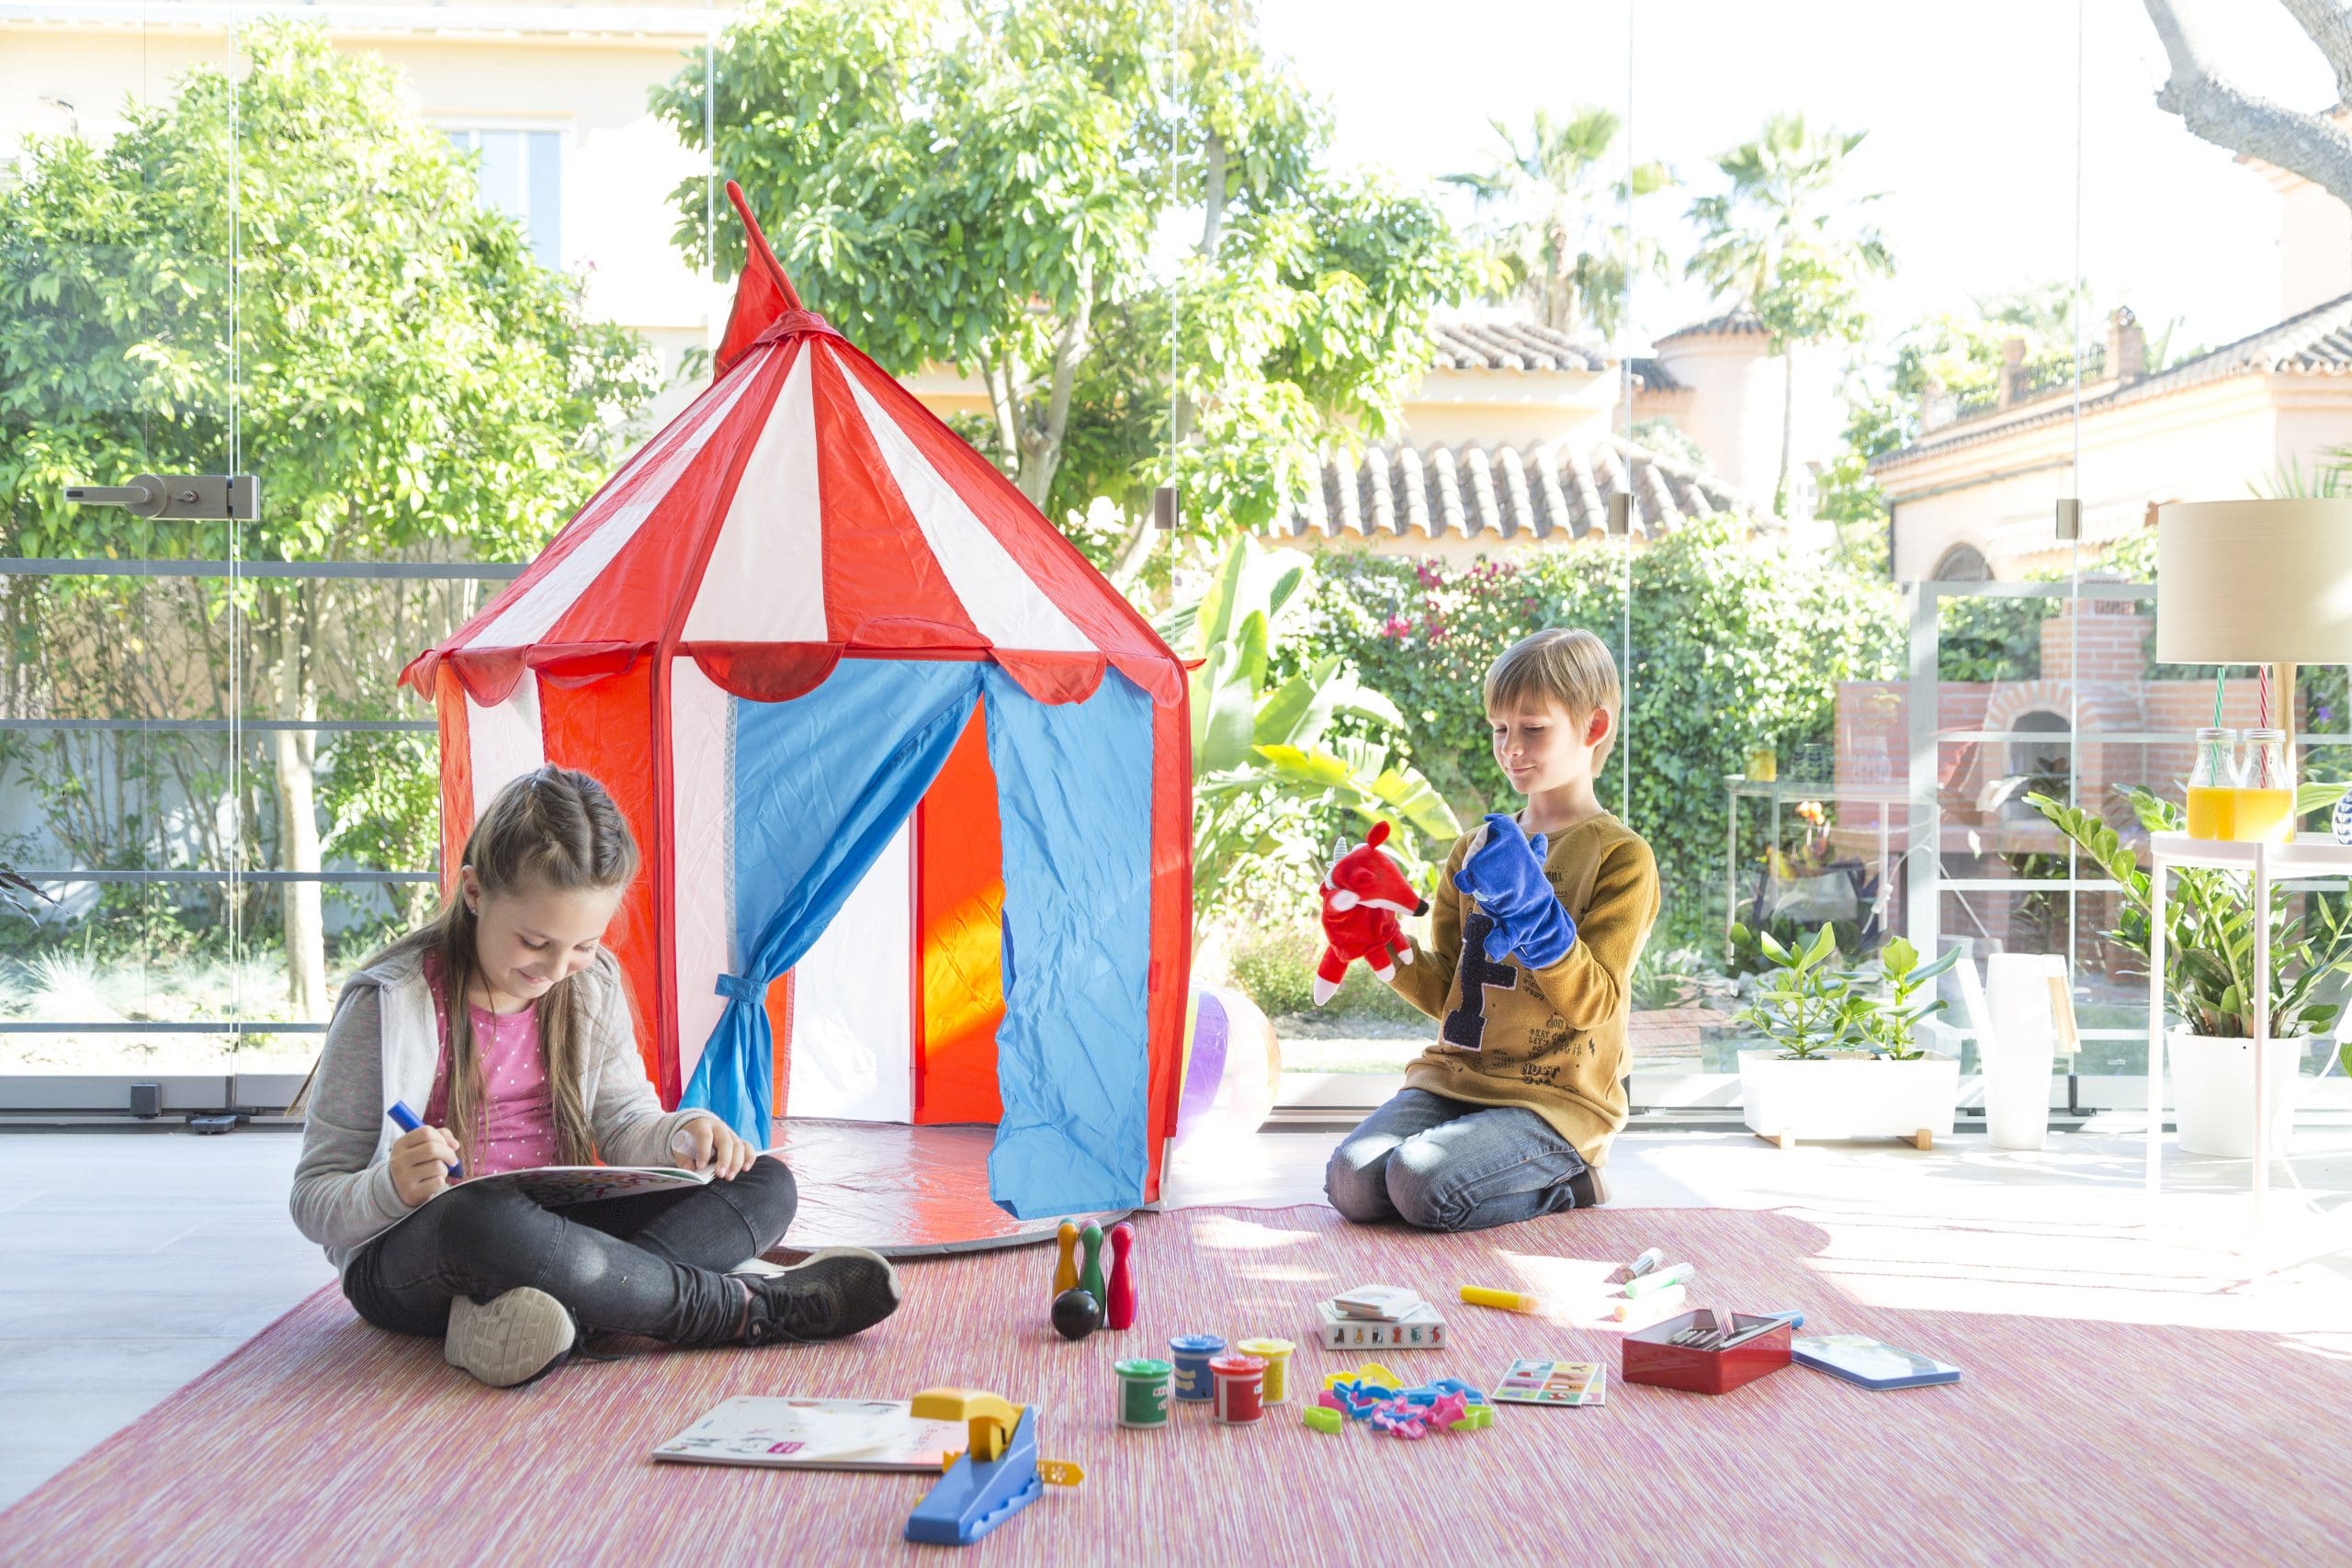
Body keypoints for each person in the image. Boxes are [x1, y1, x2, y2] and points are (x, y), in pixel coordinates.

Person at [289, 765, 899, 1387]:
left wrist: (680, 1135)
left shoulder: (590, 983)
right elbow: (313, 1199)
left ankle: (537, 1319)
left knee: (766, 1182)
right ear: (473, 892)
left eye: (582, 944)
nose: (557, 968)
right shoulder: (388, 1003)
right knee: (476, 1217)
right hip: (436, 1248)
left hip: (565, 1237)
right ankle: (736, 1307)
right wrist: (395, 1185)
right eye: (534, 941)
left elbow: (626, 1120)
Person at [1324, 627, 1660, 1232]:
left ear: (1593, 727)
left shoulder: (1619, 855)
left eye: (1533, 728)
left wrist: (1540, 921)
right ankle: (1478, 1159)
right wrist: (1382, 943)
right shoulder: (1473, 850)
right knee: (1352, 1180)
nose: (1512, 748)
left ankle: (1572, 1182)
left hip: (1555, 1100)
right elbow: (1449, 995)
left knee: (1419, 1183)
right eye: (1500, 729)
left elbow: (1596, 1003)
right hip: (1456, 1077)